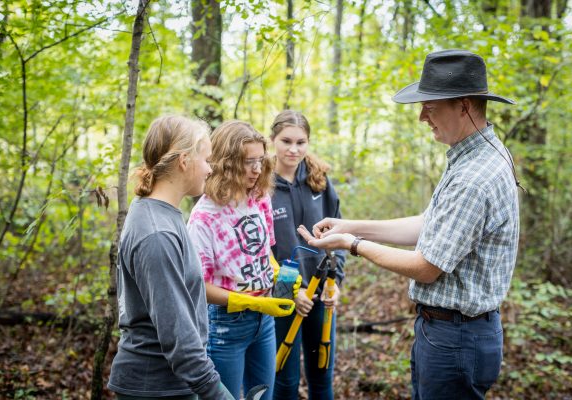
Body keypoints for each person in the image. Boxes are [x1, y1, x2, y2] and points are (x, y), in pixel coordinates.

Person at [298, 49, 521, 399]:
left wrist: (353, 245)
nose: (421, 117)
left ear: (463, 106)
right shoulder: (473, 156)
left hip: (457, 340)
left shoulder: (474, 177)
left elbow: (426, 266)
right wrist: (350, 226)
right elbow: (429, 225)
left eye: (430, 107)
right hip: (448, 334)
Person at [108, 115, 235, 399]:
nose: (209, 169)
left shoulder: (159, 212)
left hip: (172, 382)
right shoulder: (157, 234)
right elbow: (179, 337)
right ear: (184, 161)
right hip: (156, 386)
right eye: (206, 160)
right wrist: (218, 394)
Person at [186, 120, 296, 400]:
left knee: (263, 397)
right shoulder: (203, 218)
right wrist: (249, 301)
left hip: (265, 321)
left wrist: (280, 276)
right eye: (248, 162)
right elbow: (199, 287)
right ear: (226, 163)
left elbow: (265, 253)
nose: (257, 169)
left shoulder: (259, 198)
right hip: (225, 327)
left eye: (260, 160)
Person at [269, 110, 346, 400]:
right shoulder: (261, 184)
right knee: (284, 382)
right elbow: (260, 250)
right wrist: (289, 291)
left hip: (321, 291)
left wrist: (335, 283)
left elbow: (337, 237)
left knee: (322, 378)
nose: (293, 149)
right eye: (286, 141)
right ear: (272, 140)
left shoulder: (320, 182)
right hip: (283, 294)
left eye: (301, 142)